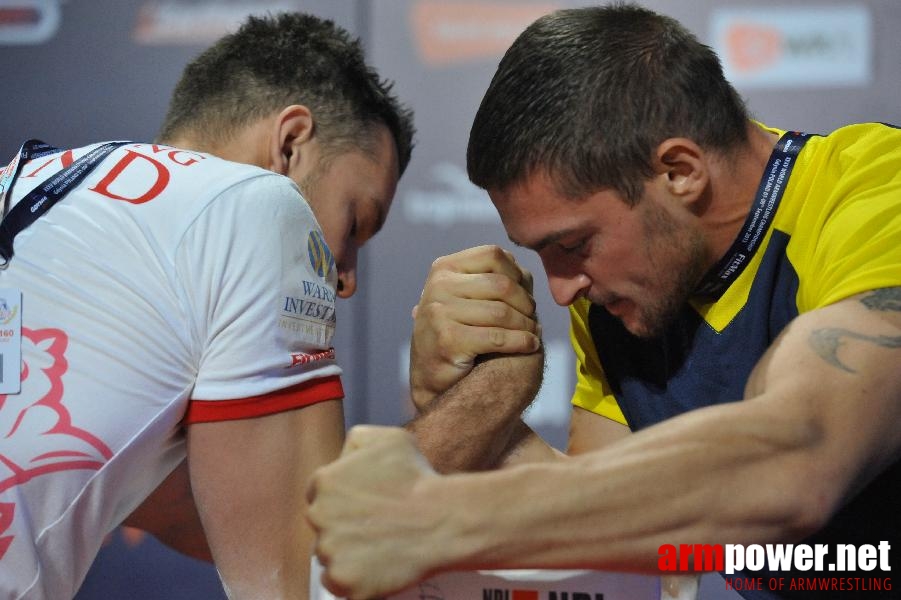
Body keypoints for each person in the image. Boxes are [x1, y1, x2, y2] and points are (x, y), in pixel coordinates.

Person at [306, 4, 900, 600]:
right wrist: (477, 398)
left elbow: (801, 457)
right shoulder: (620, 298)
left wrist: (439, 516)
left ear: (679, 171)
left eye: (572, 244)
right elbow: (621, 542)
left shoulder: (876, 190)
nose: (561, 290)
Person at [0, 12, 413, 600]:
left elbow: (188, 510)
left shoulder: (37, 180)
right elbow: (299, 579)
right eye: (355, 222)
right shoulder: (264, 205)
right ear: (290, 143)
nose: (344, 276)